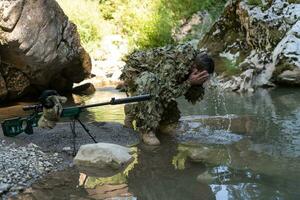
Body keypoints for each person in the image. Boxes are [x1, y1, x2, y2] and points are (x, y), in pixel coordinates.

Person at [120, 43, 214, 145]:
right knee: (150, 81)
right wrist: (189, 82)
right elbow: (165, 93)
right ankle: (145, 129)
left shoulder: (190, 66)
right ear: (195, 68)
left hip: (160, 80)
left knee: (170, 122)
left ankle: (158, 121)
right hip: (135, 72)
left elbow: (191, 97)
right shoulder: (172, 63)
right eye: (202, 75)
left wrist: (197, 84)